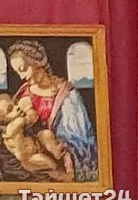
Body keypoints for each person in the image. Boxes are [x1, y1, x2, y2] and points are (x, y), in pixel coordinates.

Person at [8, 40, 99, 182]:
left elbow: (79, 135)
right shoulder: (24, 93)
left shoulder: (66, 93)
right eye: (18, 72)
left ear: (37, 62)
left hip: (62, 151)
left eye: (24, 69)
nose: (22, 77)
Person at [0, 93, 69, 181]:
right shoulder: (12, 128)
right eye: (10, 110)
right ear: (3, 120)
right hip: (28, 158)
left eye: (15, 103)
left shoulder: (19, 116)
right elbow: (22, 122)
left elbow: (34, 117)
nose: (17, 107)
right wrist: (27, 114)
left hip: (37, 143)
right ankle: (61, 174)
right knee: (48, 163)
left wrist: (29, 113)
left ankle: (57, 152)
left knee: (45, 134)